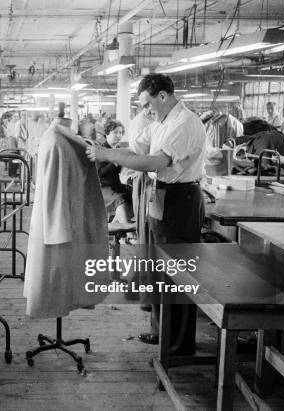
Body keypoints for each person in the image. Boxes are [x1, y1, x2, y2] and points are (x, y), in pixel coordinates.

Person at [56, 73, 206, 355]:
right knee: (159, 268)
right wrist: (96, 148)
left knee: (177, 273)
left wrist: (107, 155)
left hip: (180, 201)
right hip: (160, 196)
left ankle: (178, 345)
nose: (145, 111)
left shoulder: (184, 123)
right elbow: (137, 148)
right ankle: (161, 333)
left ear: (162, 96)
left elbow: (154, 161)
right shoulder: (161, 121)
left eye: (147, 104)